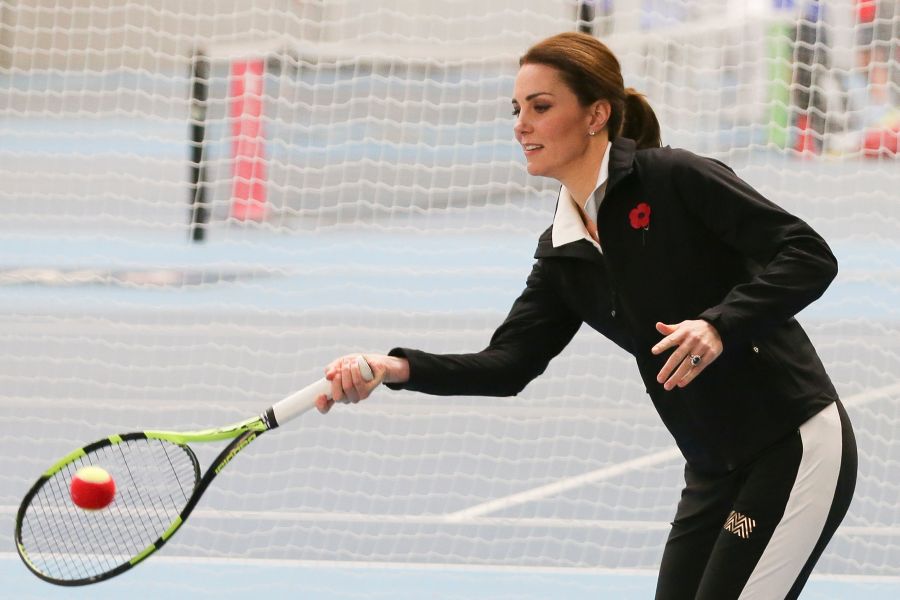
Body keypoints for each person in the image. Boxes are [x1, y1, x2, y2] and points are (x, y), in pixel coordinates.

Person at [316, 32, 858, 600]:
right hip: (712, 469)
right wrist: (394, 368)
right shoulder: (563, 254)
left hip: (791, 442)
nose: (521, 125)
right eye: (517, 110)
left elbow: (807, 255)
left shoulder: (673, 178)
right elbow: (507, 365)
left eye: (541, 107)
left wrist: (718, 323)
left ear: (597, 114)